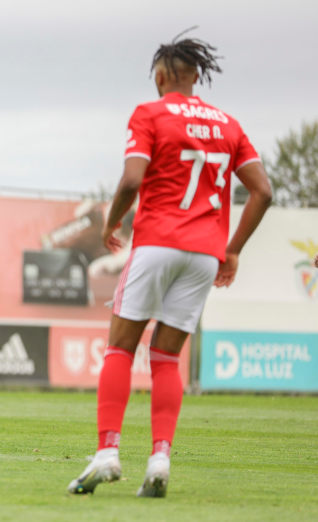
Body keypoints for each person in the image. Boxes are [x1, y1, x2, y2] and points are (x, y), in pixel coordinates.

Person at [67, 34, 272, 497]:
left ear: (160, 76)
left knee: (120, 348)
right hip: (204, 255)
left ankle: (107, 452)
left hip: (157, 242)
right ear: (196, 76)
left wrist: (111, 222)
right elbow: (263, 190)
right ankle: (160, 458)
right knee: (166, 358)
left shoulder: (150, 114)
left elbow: (132, 179)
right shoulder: (229, 125)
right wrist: (233, 249)